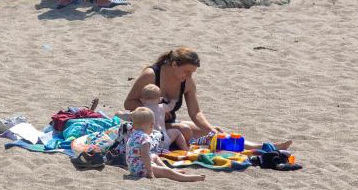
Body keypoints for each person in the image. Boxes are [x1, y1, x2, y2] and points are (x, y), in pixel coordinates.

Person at [123, 47, 293, 149]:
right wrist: (153, 111)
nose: (189, 76)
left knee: (213, 131)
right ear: (174, 64)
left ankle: (260, 147)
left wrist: (209, 128)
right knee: (185, 129)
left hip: (165, 124)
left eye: (192, 73)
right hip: (147, 125)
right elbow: (128, 102)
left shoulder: (187, 82)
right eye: (187, 71)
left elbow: (196, 112)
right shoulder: (151, 75)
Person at [125, 109, 205, 182]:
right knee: (167, 173)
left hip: (133, 167)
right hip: (142, 169)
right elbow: (145, 155)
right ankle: (187, 178)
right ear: (151, 125)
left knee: (154, 156)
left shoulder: (133, 135)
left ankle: (169, 169)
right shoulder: (145, 138)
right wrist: (150, 172)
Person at [119, 84, 188, 152]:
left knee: (130, 130)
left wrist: (118, 113)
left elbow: (127, 116)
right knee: (177, 132)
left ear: (142, 100)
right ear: (160, 99)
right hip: (164, 139)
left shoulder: (143, 110)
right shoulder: (162, 106)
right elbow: (171, 106)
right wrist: (173, 101)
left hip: (150, 141)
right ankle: (185, 149)